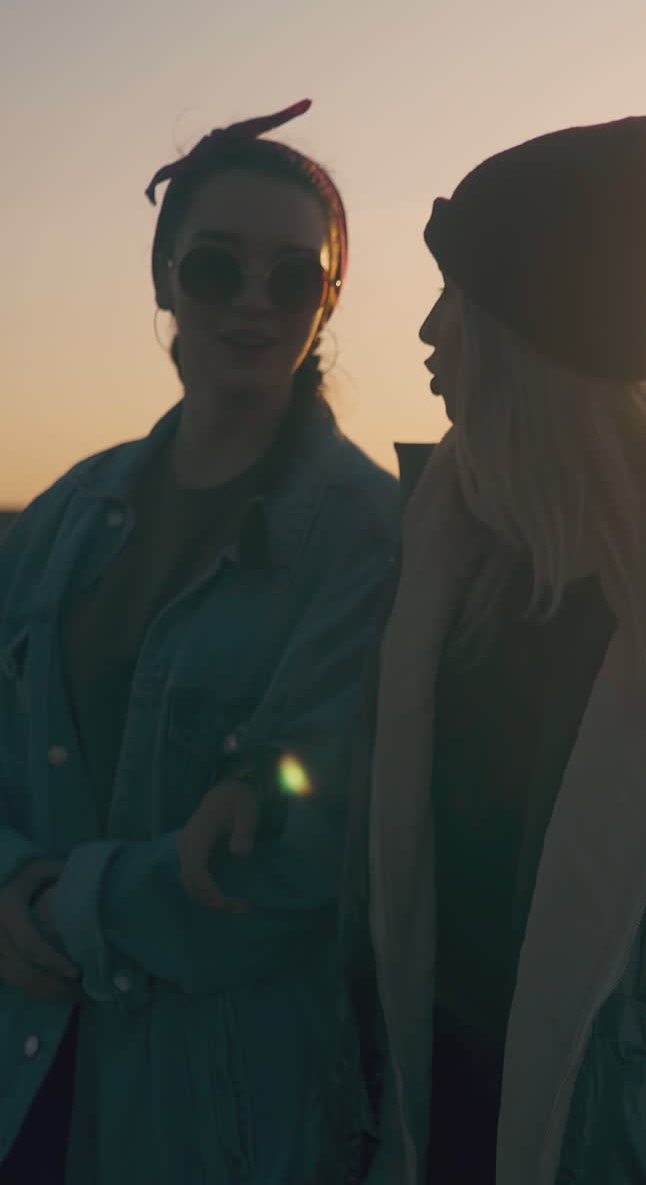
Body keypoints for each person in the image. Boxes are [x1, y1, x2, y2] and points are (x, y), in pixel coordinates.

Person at [0, 99, 399, 1185]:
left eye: (295, 277)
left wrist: (56, 906)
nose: (256, 304)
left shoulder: (367, 538)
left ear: (328, 301)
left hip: (214, 1117)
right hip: (31, 1073)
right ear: (163, 277)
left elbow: (300, 852)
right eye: (219, 269)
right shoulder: (69, 513)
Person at [354, 115, 646, 1184]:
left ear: (526, 335)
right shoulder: (445, 556)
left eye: (455, 299)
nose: (426, 330)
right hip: (440, 1135)